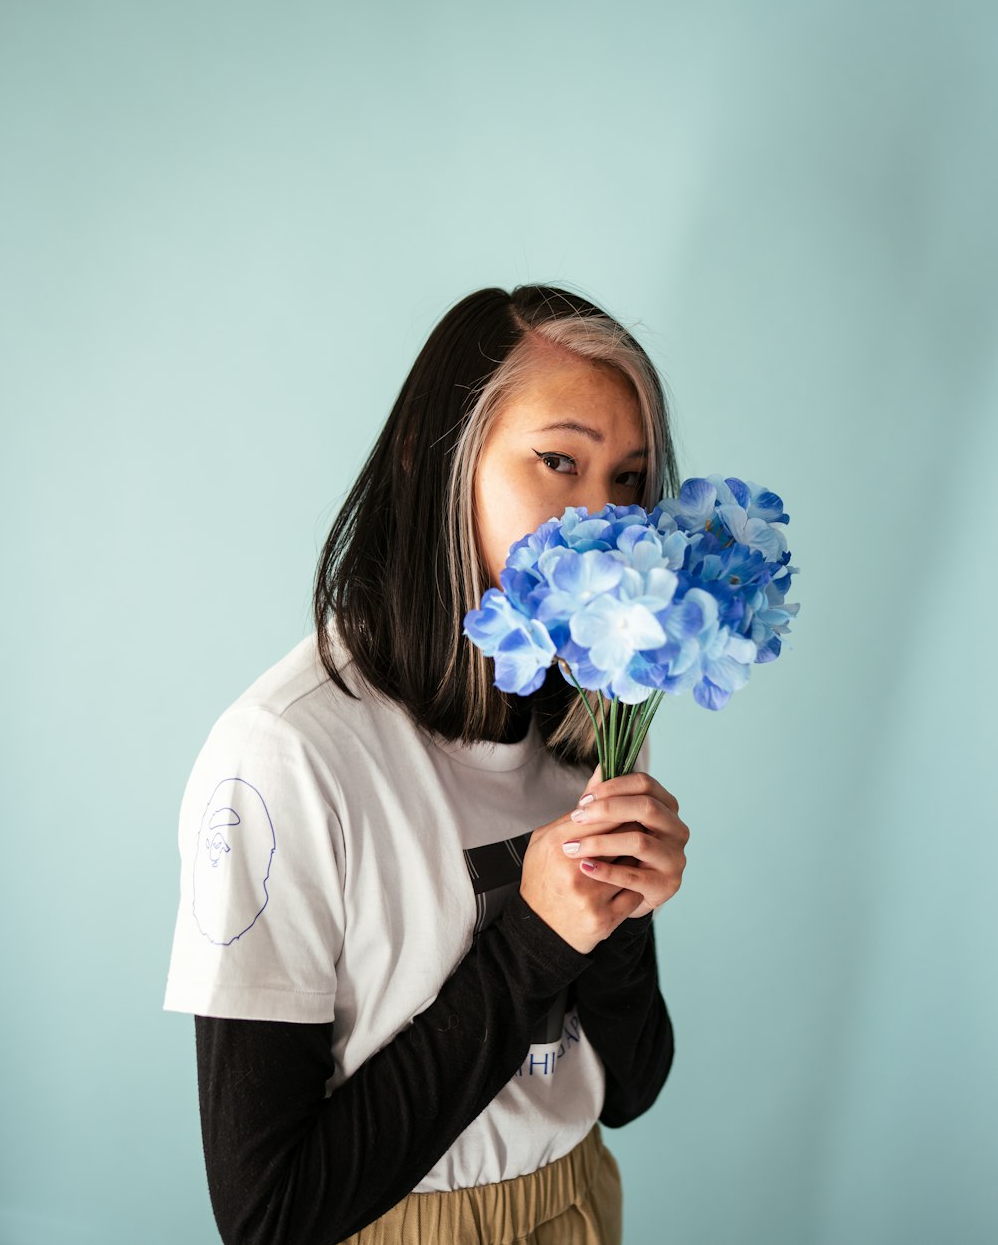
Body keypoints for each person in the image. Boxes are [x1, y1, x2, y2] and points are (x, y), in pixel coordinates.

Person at [163, 284, 691, 1245]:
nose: (605, 523)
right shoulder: (284, 756)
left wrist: (614, 923)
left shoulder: (600, 719)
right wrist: (532, 936)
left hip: (578, 1206)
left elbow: (630, 1090)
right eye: (558, 461)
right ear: (432, 460)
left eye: (627, 481)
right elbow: (266, 1214)